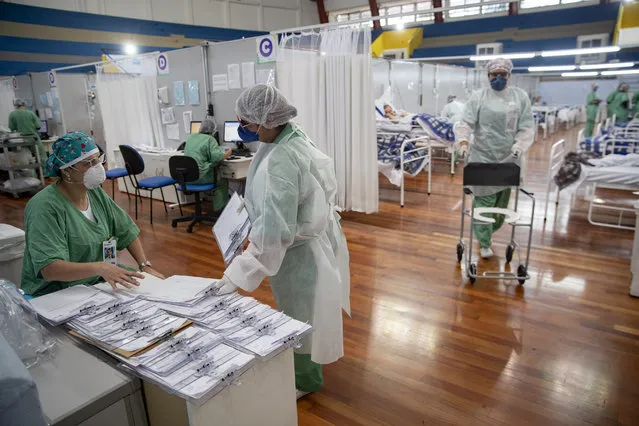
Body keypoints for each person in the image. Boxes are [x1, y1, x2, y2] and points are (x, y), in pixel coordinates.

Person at [212, 85, 351, 398]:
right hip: (303, 245)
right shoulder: (285, 136)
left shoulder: (282, 159)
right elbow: (274, 202)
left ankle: (305, 380)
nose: (243, 128)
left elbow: (274, 233)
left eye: (246, 122)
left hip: (299, 254)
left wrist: (236, 274)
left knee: (300, 314)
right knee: (302, 312)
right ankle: (303, 371)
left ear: (266, 120)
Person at [21, 131, 164, 297]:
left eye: (98, 159)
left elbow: (125, 229)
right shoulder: (44, 207)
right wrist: (101, 268)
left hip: (96, 282)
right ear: (67, 170)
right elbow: (50, 270)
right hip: (56, 293)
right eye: (88, 163)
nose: (98, 167)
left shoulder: (94, 192)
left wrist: (144, 264)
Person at [454, 58, 534, 259]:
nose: (498, 78)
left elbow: (526, 126)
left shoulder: (520, 97)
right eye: (494, 74)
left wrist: (519, 146)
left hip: (509, 158)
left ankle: (489, 231)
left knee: (500, 205)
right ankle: (484, 242)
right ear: (488, 75)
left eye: (502, 74)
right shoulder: (478, 97)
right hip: (482, 156)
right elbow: (465, 123)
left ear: (509, 75)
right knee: (483, 202)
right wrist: (463, 142)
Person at [183, 118, 232, 211]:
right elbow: (217, 158)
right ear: (212, 131)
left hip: (188, 178)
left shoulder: (191, 137)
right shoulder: (210, 139)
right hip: (202, 178)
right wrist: (229, 152)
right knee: (222, 181)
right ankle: (220, 211)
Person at [8, 99, 46, 164]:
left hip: (20, 140)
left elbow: (12, 128)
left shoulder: (12, 114)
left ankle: (32, 174)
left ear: (16, 106)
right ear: (24, 105)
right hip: (33, 138)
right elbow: (38, 126)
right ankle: (44, 173)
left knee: (25, 160)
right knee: (41, 156)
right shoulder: (30, 113)